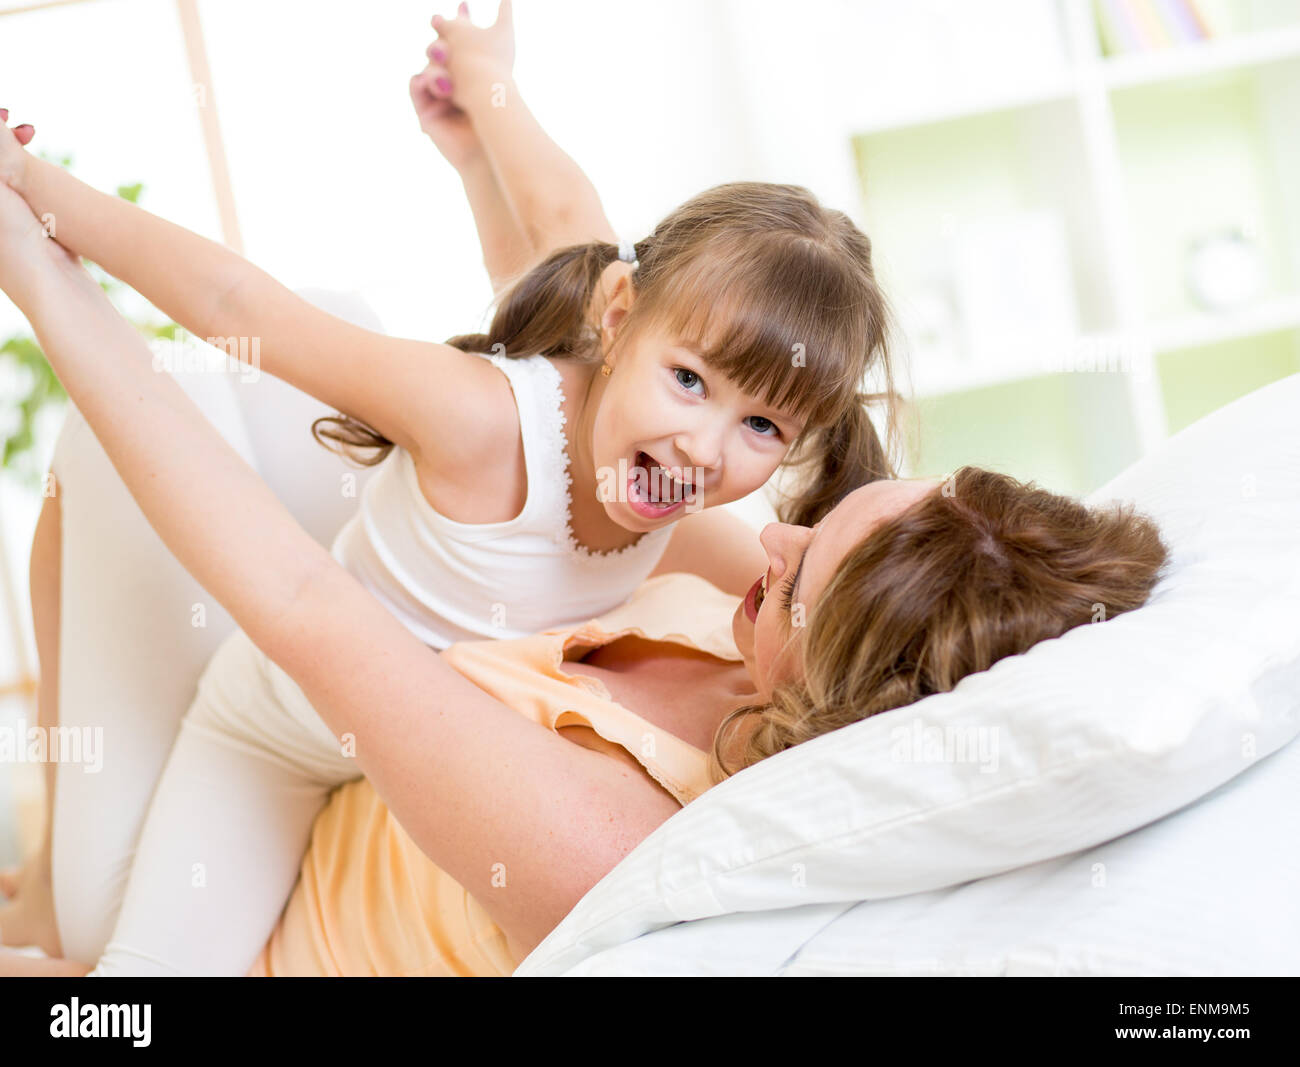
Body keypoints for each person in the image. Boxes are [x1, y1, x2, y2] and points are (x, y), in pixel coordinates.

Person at [0, 162, 1167, 974]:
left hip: (270, 778)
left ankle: (62, 903)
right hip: (299, 715)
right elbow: (578, 276)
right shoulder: (711, 577)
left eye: (766, 437)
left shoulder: (627, 827)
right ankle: (52, 855)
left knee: (119, 1014)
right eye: (817, 513)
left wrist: (40, 273)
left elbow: (302, 603)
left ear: (840, 678)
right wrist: (476, 143)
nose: (768, 529)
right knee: (318, 335)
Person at [0, 3, 899, 962]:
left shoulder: (697, 518)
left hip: (396, 739)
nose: (703, 449)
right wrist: (37, 195)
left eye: (761, 425)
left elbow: (560, 214)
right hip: (275, 727)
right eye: (689, 381)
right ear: (618, 316)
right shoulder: (480, 419)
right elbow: (238, 305)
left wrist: (483, 100)